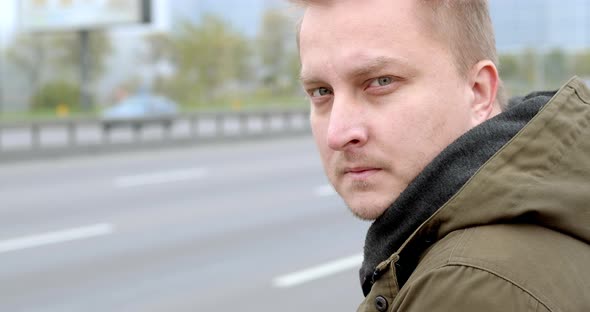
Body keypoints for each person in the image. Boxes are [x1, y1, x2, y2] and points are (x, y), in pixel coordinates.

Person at [294, 0, 590, 311]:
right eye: (321, 92)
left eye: (381, 82)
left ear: (477, 92)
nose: (338, 134)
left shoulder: (469, 289)